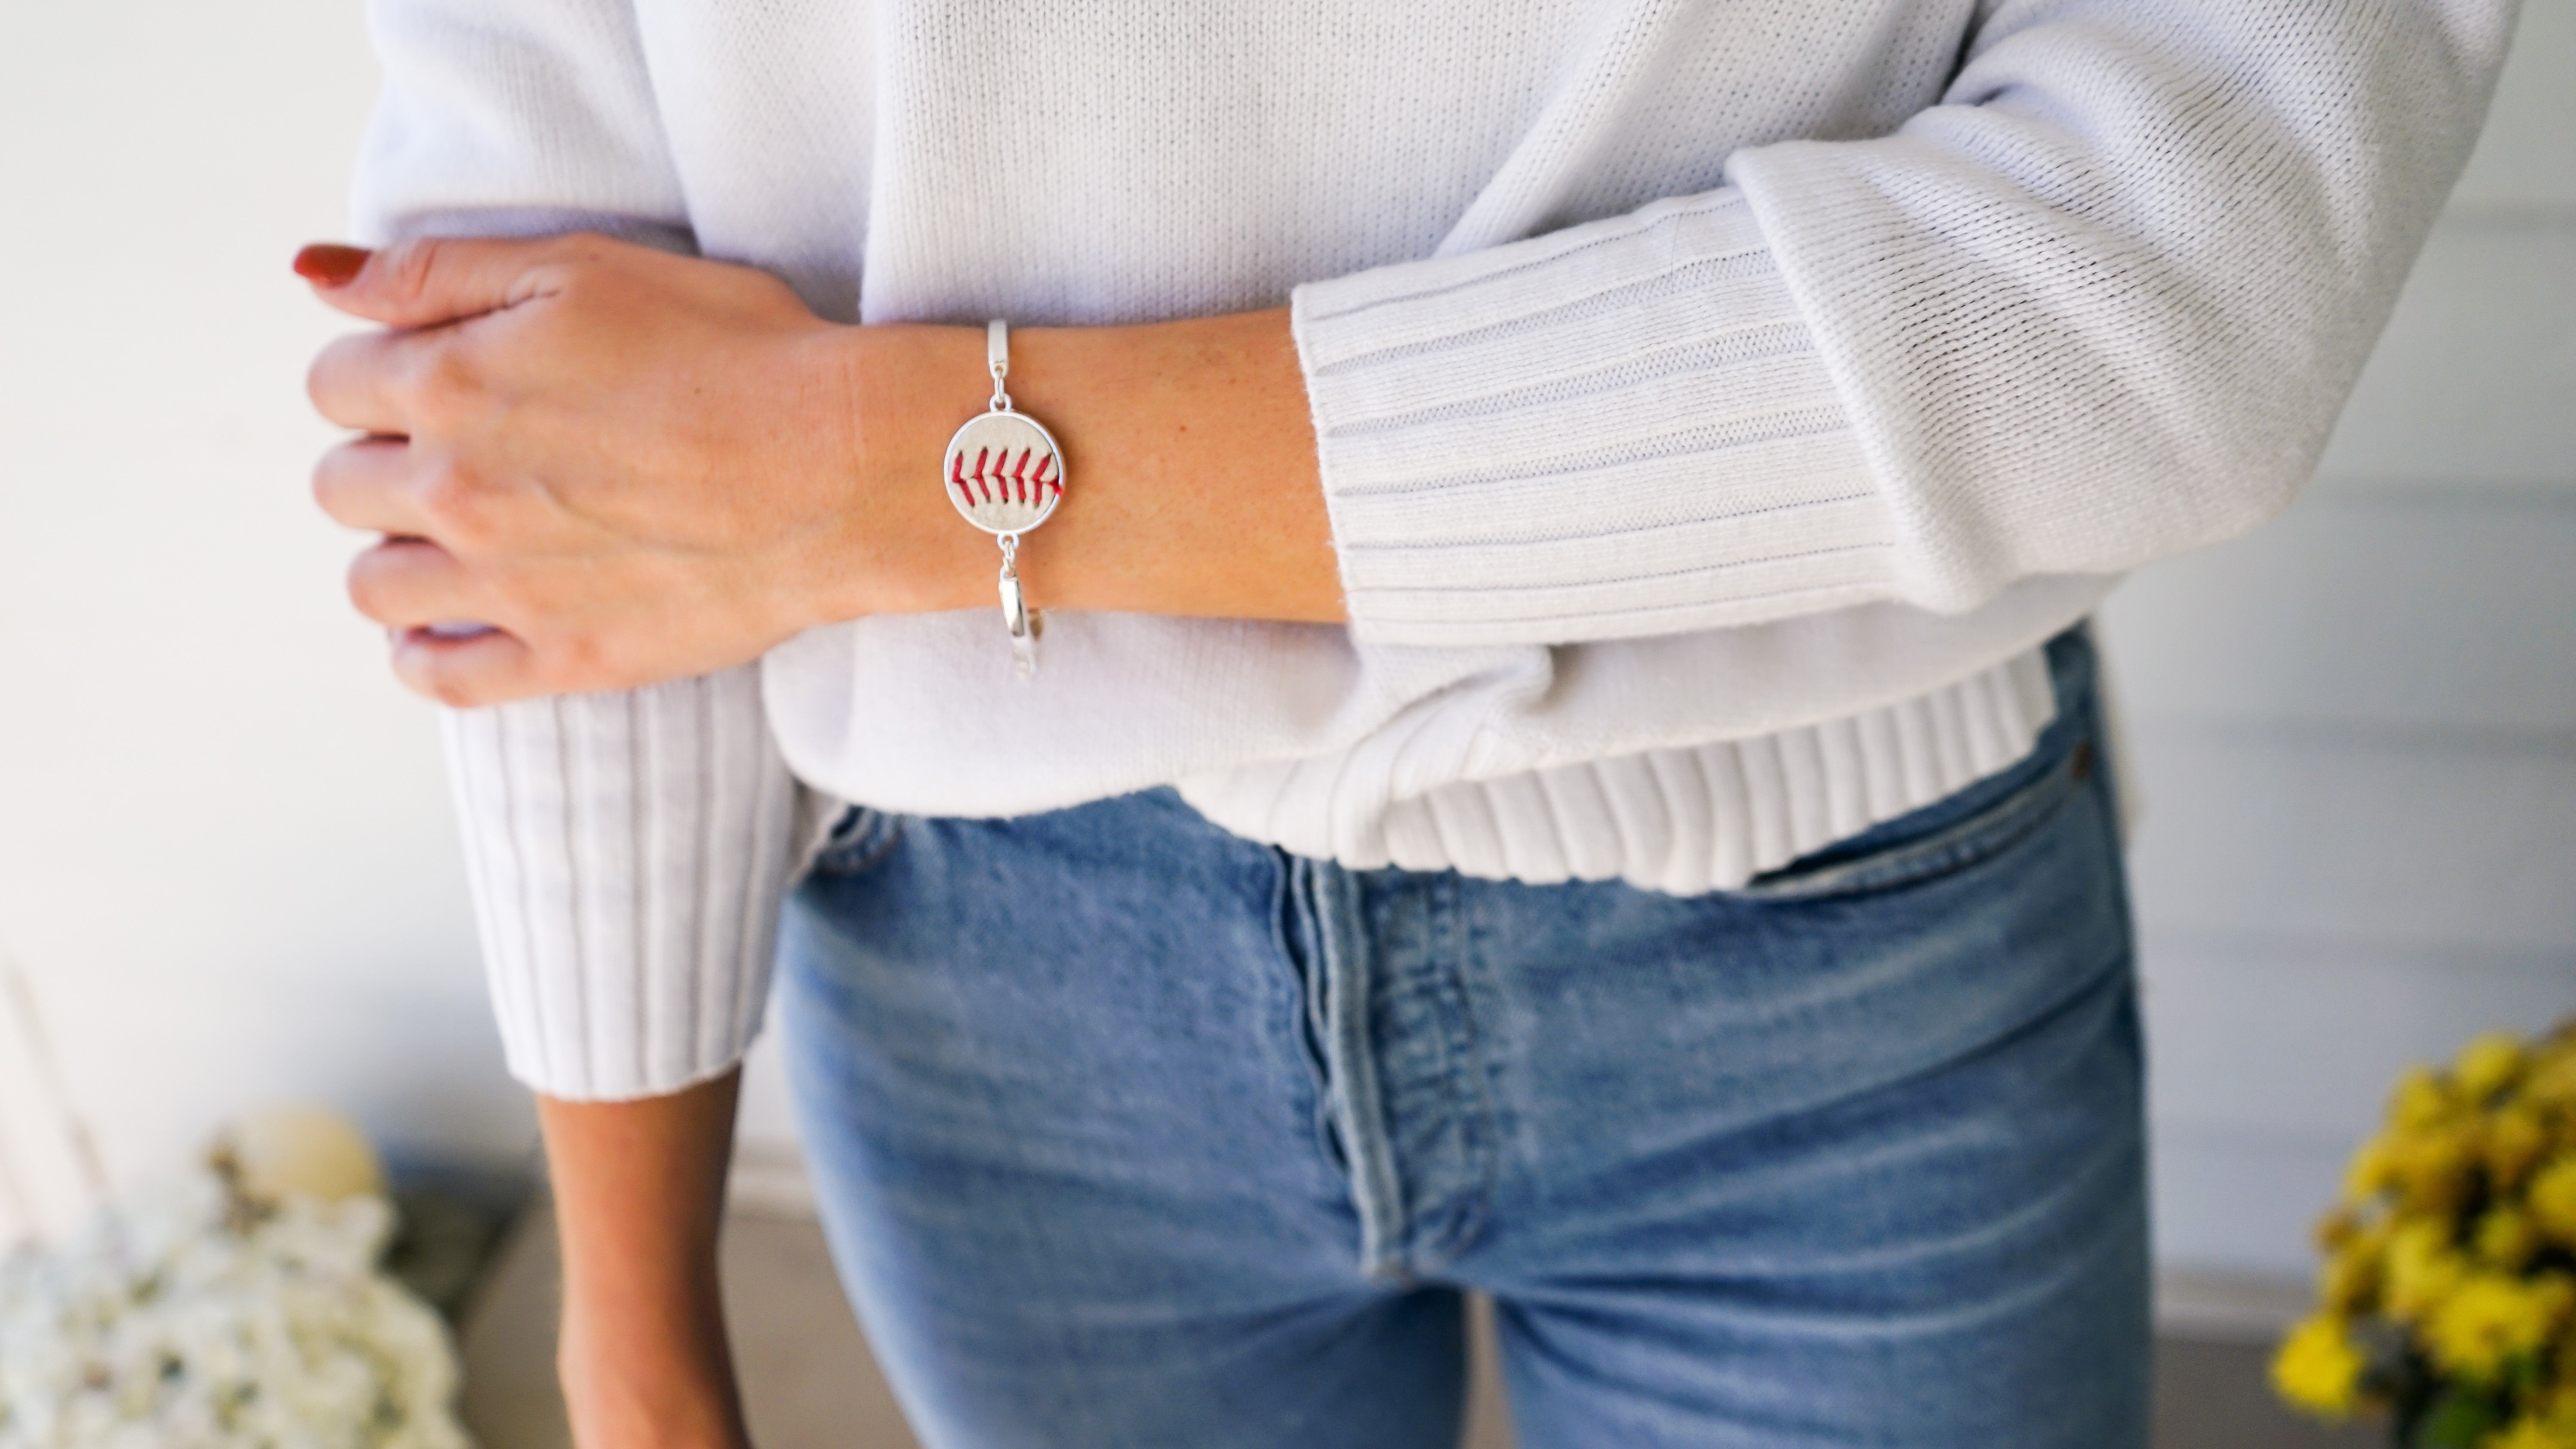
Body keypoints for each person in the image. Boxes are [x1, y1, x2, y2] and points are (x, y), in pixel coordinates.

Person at [295, 2, 2512, 1444]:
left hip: (1838, 968)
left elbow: (2165, 306)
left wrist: (873, 472)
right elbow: (531, 409)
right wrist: (636, 1327)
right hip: (995, 992)